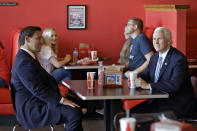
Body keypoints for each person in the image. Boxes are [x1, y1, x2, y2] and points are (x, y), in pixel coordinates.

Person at [11, 26, 84, 130]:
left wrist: (60, 96)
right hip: (32, 109)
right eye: (38, 38)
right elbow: (37, 89)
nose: (42, 41)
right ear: (27, 39)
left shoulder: (27, 57)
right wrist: (61, 100)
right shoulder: (24, 62)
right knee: (74, 112)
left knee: (79, 103)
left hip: (36, 101)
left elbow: (40, 83)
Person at [134, 27, 195, 118]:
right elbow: (146, 74)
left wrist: (148, 85)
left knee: (137, 116)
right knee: (129, 111)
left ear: (169, 41)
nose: (156, 42)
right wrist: (135, 78)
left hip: (175, 105)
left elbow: (175, 85)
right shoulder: (154, 57)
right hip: (157, 101)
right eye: (154, 39)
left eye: (160, 39)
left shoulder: (178, 59)